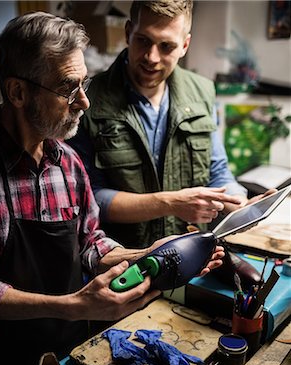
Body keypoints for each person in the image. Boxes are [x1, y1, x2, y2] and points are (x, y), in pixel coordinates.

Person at [0, 11, 224, 365]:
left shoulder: (67, 162)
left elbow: (88, 243)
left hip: (65, 357)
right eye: (68, 87)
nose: (84, 101)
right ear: (17, 93)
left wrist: (143, 254)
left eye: (85, 83)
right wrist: (72, 305)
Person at [68, 0, 273, 248]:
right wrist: (171, 203)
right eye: (143, 40)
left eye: (166, 46)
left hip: (191, 251)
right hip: (122, 259)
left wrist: (239, 203)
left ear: (185, 45)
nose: (152, 57)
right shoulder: (88, 100)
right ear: (128, 32)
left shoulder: (202, 91)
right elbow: (89, 198)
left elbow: (217, 172)